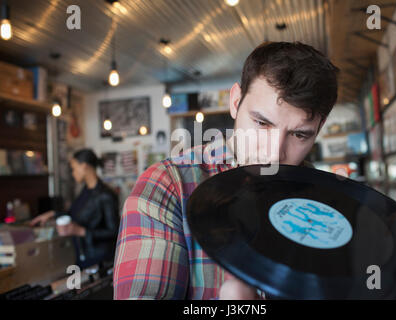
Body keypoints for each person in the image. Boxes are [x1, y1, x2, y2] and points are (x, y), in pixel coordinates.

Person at [113, 41, 339, 299]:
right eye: (262, 122)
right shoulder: (168, 185)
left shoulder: (325, 197)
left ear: (318, 131)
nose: (273, 153)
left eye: (299, 134)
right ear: (235, 101)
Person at [30, 149, 120, 269]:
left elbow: (115, 232)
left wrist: (81, 231)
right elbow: (75, 214)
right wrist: (53, 214)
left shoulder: (106, 195)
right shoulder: (86, 191)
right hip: (83, 255)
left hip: (100, 260)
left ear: (84, 166)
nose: (73, 173)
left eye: (74, 168)